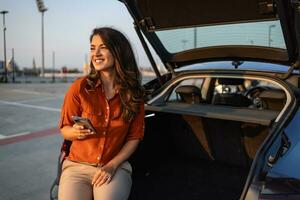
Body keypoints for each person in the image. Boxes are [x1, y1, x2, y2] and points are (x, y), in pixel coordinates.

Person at [58, 27, 144, 200]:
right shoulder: (79, 88)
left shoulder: (134, 94)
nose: (95, 53)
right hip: (76, 167)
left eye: (103, 47)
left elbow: (134, 138)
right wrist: (74, 132)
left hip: (114, 167)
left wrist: (112, 166)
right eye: (92, 48)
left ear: (118, 51)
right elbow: (64, 129)